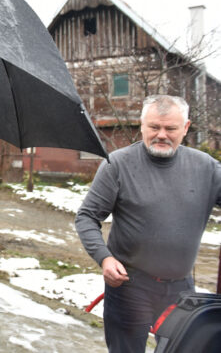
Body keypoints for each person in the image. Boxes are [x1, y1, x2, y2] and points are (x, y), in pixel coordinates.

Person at [75, 94, 221, 353]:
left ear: (185, 128)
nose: (161, 135)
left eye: (170, 128)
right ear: (141, 126)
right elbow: (87, 216)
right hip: (129, 286)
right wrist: (105, 258)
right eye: (154, 127)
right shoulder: (118, 164)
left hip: (181, 288)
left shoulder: (207, 168)